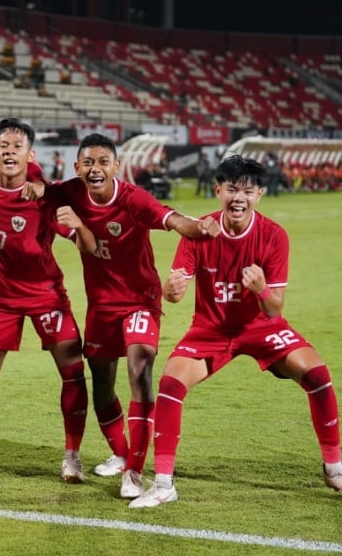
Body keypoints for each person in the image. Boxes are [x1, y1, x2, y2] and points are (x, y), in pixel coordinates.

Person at [129, 155, 342, 508]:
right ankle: (164, 483)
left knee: (318, 375)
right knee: (169, 385)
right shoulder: (199, 231)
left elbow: (275, 308)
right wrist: (172, 291)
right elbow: (174, 289)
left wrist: (260, 290)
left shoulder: (274, 235)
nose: (238, 197)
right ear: (218, 191)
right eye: (231, 189)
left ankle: (334, 468)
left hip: (261, 326)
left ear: (259, 194)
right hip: (210, 330)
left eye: (246, 190)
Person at [44, 133, 219, 499]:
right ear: (77, 168)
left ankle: (135, 473)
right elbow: (43, 193)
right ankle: (122, 454)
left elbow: (173, 221)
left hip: (140, 300)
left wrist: (200, 228)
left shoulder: (133, 198)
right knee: (103, 387)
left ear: (116, 167)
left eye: (103, 161)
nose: (96, 168)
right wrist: (33, 189)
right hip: (101, 306)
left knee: (140, 372)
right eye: (88, 162)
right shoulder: (68, 193)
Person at [0, 118, 94, 482]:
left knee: (72, 373)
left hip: (46, 296)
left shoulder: (45, 198)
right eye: (3, 145)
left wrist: (80, 226)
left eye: (17, 146)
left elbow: (86, 246)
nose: (9, 151)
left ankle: (72, 457)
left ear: (29, 154)